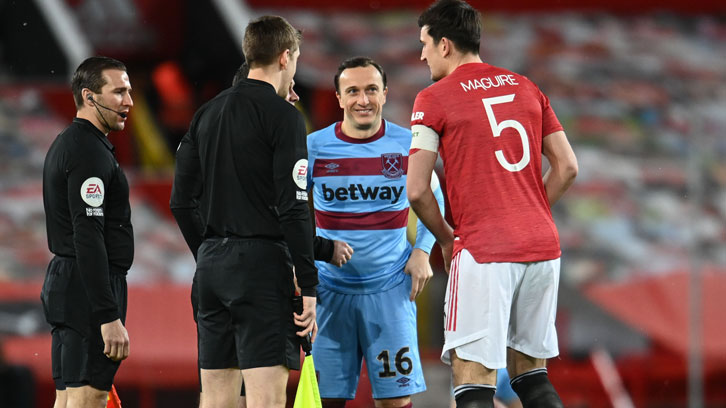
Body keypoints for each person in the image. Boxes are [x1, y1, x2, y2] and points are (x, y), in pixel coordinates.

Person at [406, 1, 578, 407]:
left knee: (473, 381)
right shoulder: (526, 86)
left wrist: (447, 239)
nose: (421, 54)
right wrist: (530, 208)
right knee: (532, 377)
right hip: (542, 247)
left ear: (444, 45)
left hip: (484, 251)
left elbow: (417, 190)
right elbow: (568, 166)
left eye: (425, 44)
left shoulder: (433, 98)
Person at [173, 59, 353, 408]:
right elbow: (291, 211)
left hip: (211, 270)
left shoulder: (205, 116)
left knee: (215, 400)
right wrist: (309, 281)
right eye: (290, 87)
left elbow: (181, 202)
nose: (295, 95)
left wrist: (210, 253)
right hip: (262, 273)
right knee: (265, 401)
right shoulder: (281, 120)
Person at [307, 56, 445, 408]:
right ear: (338, 98)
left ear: (385, 93)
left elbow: (435, 199)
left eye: (371, 90)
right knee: (326, 402)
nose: (363, 100)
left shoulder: (408, 145)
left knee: (395, 402)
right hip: (328, 293)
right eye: (352, 91)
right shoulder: (313, 148)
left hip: (390, 292)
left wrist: (422, 250)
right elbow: (286, 211)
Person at [41, 56, 134, 408]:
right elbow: (88, 234)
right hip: (87, 287)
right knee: (87, 399)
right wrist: (108, 316)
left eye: (129, 92)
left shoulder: (70, 143)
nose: (129, 102)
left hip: (71, 282)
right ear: (89, 96)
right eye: (119, 92)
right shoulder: (89, 152)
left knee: (67, 398)